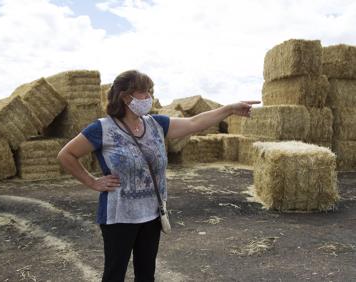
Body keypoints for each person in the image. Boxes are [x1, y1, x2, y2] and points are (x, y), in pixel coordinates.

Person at [57, 70, 260, 282]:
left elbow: (194, 123)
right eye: (144, 93)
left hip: (152, 215)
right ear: (126, 97)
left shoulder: (156, 124)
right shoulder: (103, 128)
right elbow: (66, 155)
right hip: (118, 217)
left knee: (146, 275)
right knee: (114, 275)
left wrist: (229, 109)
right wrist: (92, 182)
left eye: (149, 92)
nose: (149, 97)